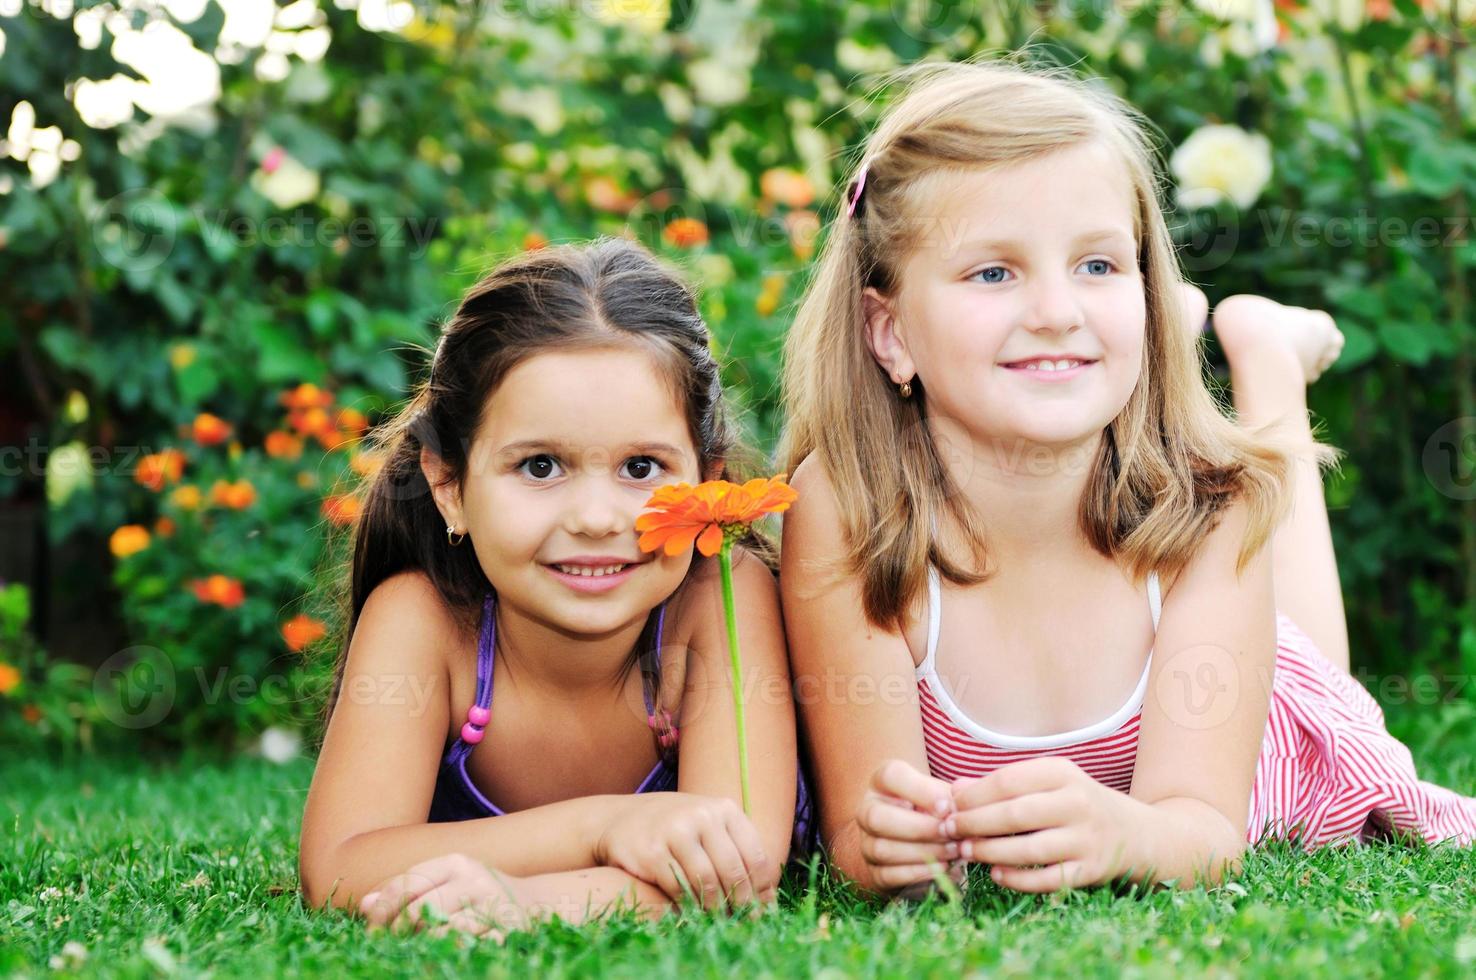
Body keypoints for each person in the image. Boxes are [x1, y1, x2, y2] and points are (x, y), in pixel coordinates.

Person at [777, 58, 1476, 898]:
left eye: (1099, 267)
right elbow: (862, 832)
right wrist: (890, 842)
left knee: (1316, 669)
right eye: (993, 272)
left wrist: (1128, 834)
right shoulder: (846, 503)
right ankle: (1175, 330)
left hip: (1247, 722)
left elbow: (1204, 831)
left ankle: (1270, 365)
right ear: (888, 333)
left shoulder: (1210, 506)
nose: (1055, 310)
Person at [299, 236, 812, 938]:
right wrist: (609, 827)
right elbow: (338, 869)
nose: (598, 520)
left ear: (708, 480)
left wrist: (524, 903)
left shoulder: (719, 597)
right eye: (540, 467)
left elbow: (741, 875)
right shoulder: (426, 622)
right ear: (448, 486)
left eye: (641, 468)